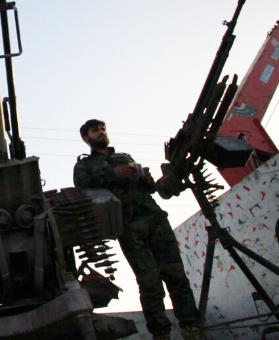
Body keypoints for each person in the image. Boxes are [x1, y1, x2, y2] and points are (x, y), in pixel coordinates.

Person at [73, 119, 201, 340]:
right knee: (149, 281)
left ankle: (191, 326)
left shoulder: (124, 157)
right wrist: (115, 174)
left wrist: (145, 177)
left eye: (103, 129)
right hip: (128, 226)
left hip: (154, 218)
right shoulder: (84, 165)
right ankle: (161, 333)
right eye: (95, 131)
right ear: (86, 138)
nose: (101, 133)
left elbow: (150, 188)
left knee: (176, 275)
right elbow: (81, 185)